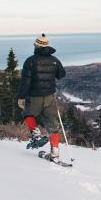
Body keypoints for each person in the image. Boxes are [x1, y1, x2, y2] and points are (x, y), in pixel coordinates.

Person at [17, 33, 66, 162]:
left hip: (34, 96)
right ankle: (55, 153)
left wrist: (21, 97)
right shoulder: (54, 60)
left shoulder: (30, 61)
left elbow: (25, 82)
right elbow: (61, 74)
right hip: (50, 97)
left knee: (28, 114)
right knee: (52, 125)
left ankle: (36, 135)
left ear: (36, 45)